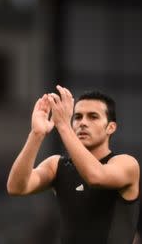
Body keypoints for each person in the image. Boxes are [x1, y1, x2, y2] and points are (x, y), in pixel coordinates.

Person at [7, 85, 140, 244]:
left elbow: (95, 176)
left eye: (93, 117)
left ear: (110, 127)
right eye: (77, 117)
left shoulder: (126, 164)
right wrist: (36, 134)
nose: (83, 123)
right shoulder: (57, 165)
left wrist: (63, 125)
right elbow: (16, 187)